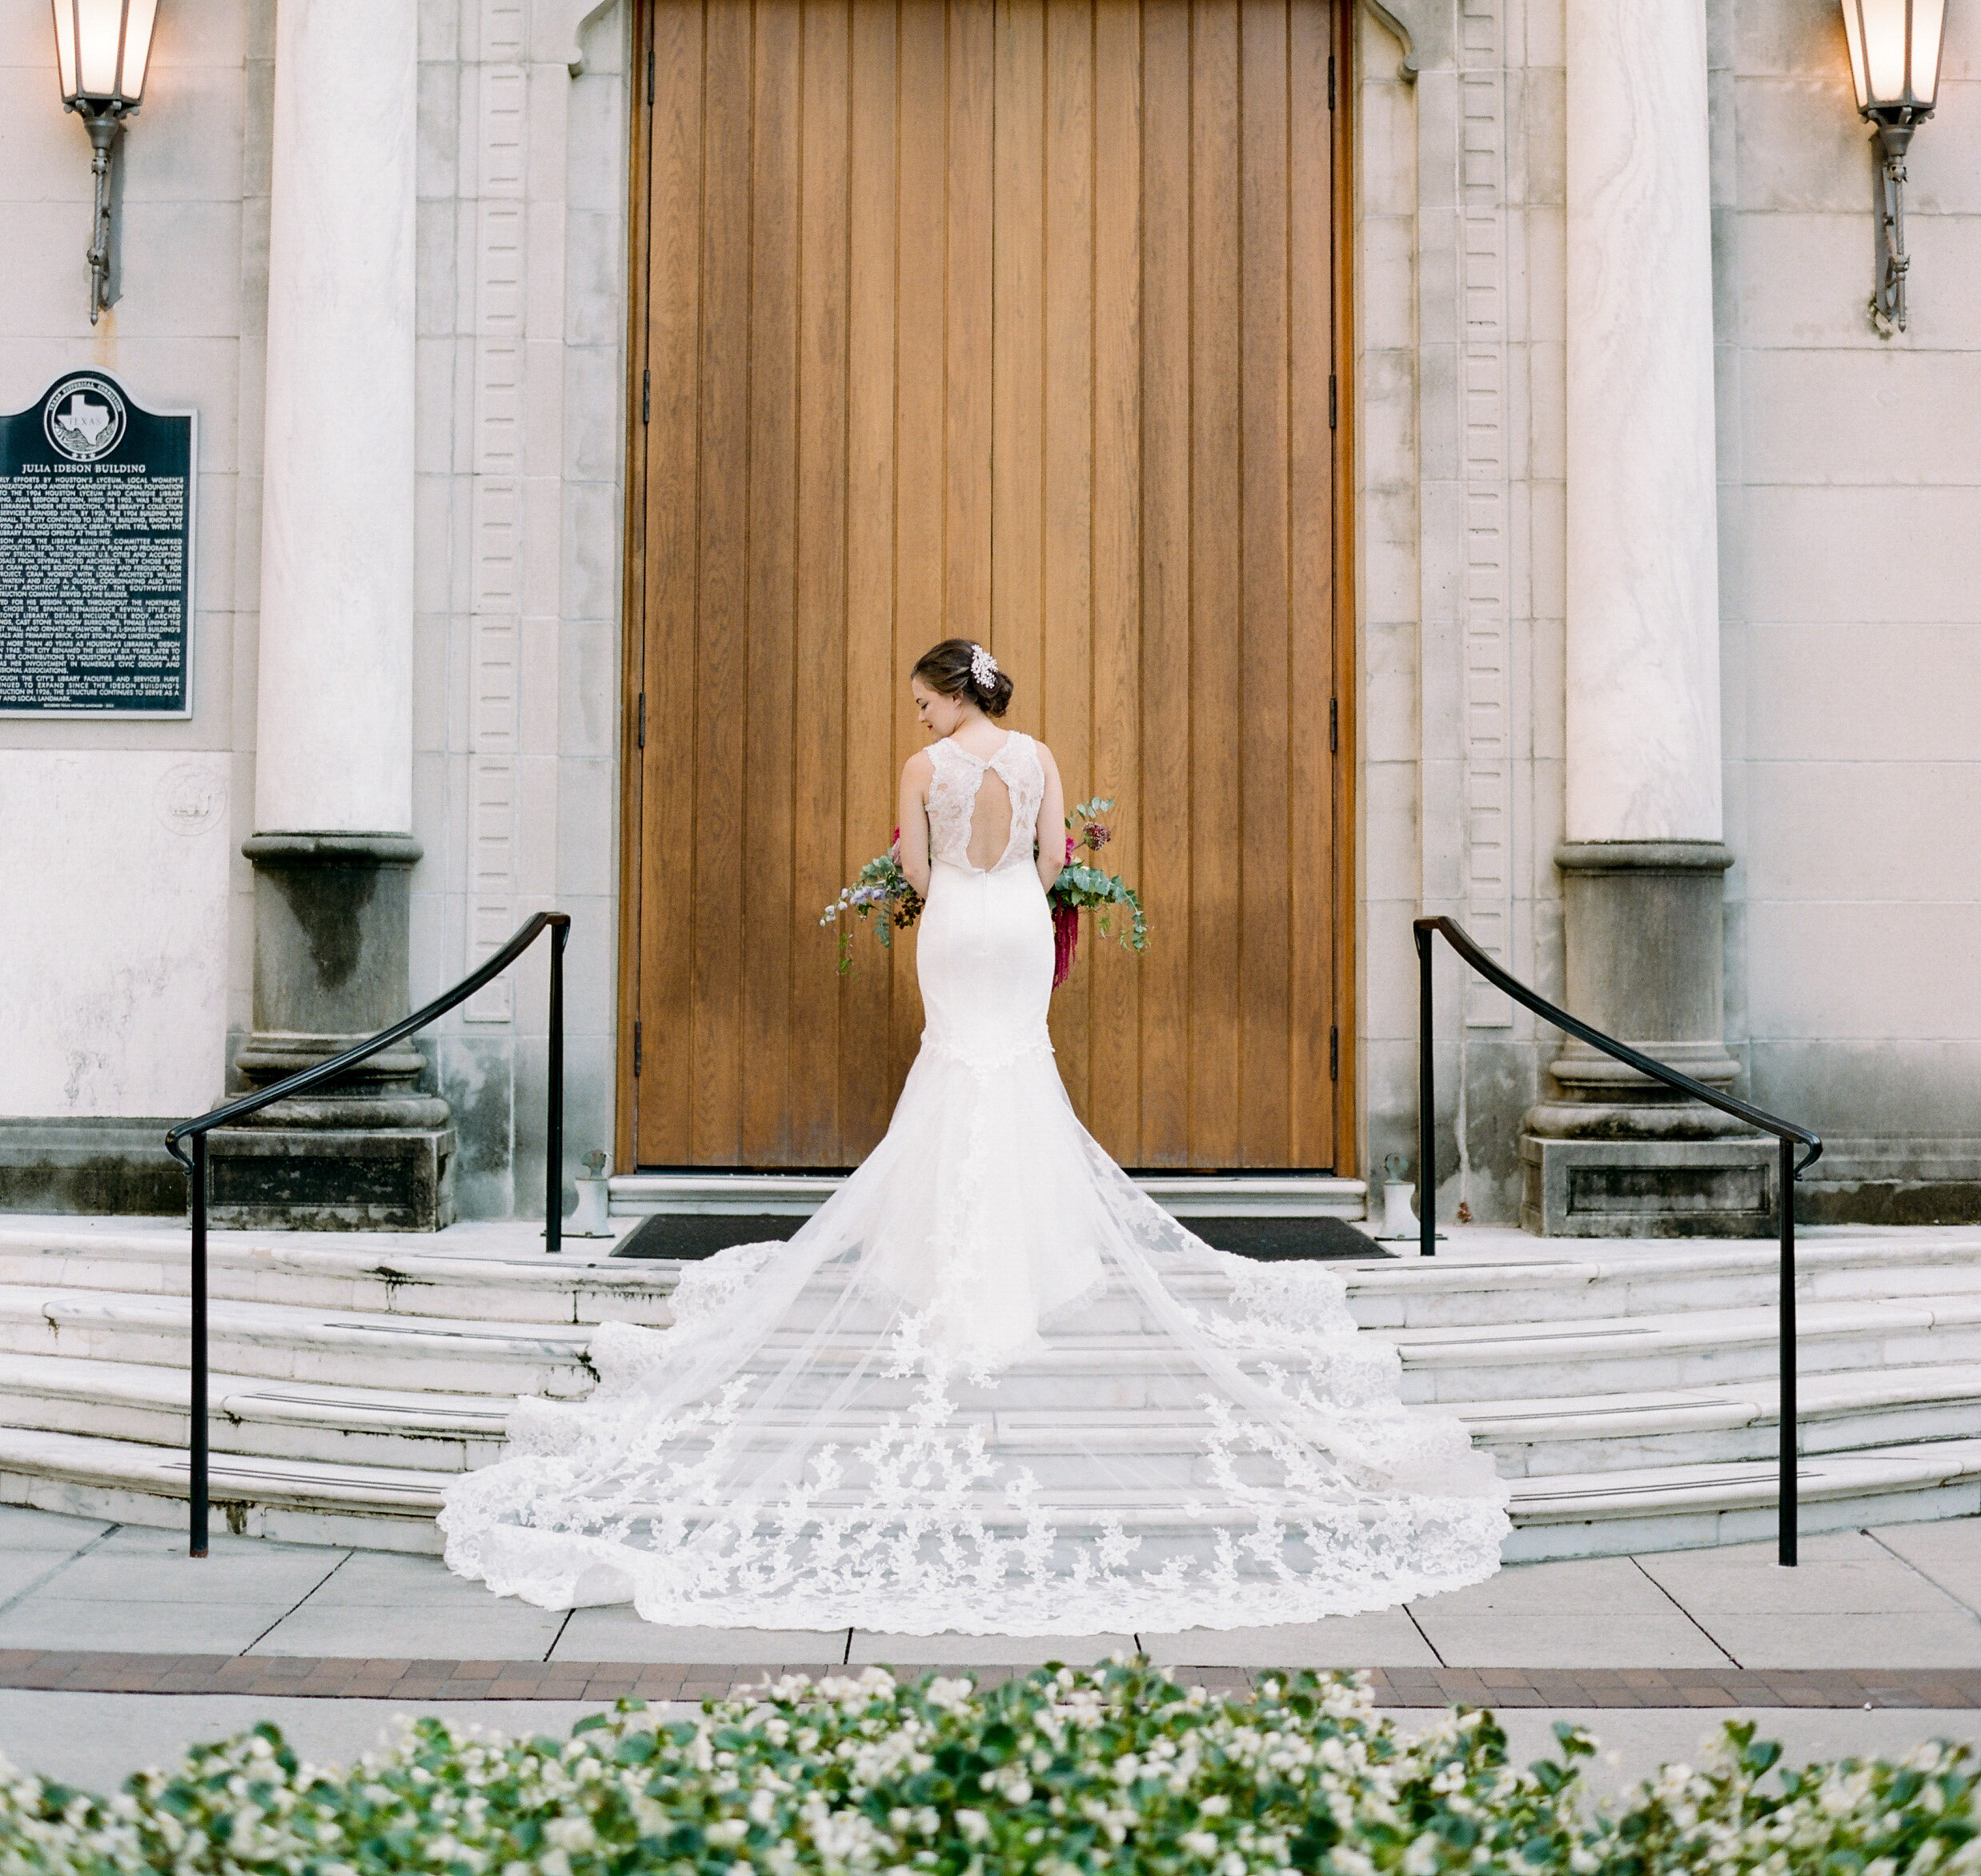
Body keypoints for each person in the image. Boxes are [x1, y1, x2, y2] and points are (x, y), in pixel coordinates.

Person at [439, 638, 1508, 1631]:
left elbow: (910, 871)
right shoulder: (1037, 754)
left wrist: (954, 889)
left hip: (954, 922)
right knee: (1018, 1073)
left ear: (954, 695)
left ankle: (947, 1257)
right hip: (1013, 925)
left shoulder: (923, 768)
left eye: (923, 699)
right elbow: (1049, 859)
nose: (918, 714)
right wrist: (1010, 900)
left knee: (957, 1069)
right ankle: (1032, 1259)